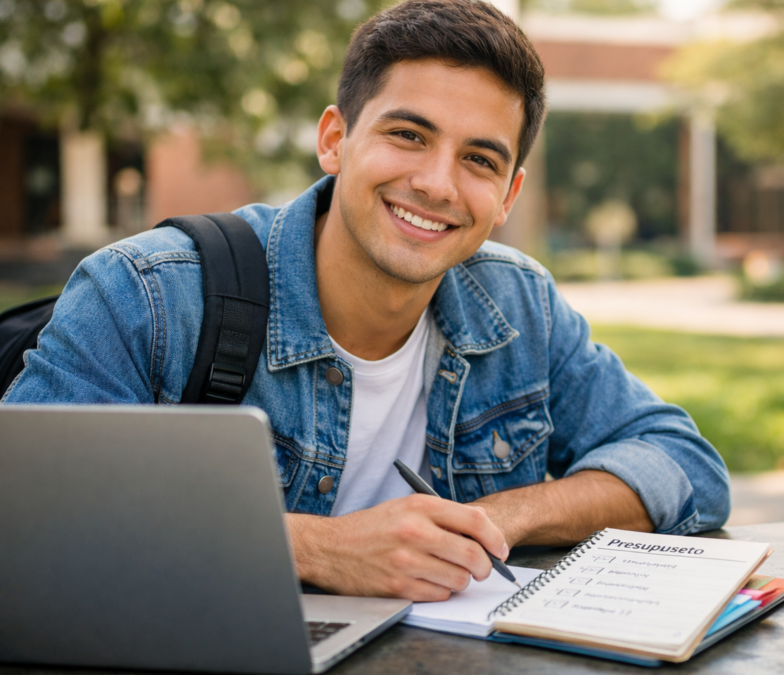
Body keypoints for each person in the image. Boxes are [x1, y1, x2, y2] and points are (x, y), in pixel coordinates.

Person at [2, 0, 730, 601]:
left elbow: (683, 465)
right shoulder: (149, 293)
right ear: (334, 139)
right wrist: (317, 548)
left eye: (479, 159)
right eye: (408, 134)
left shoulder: (517, 304)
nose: (438, 184)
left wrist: (488, 518)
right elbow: (22, 511)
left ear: (507, 194)